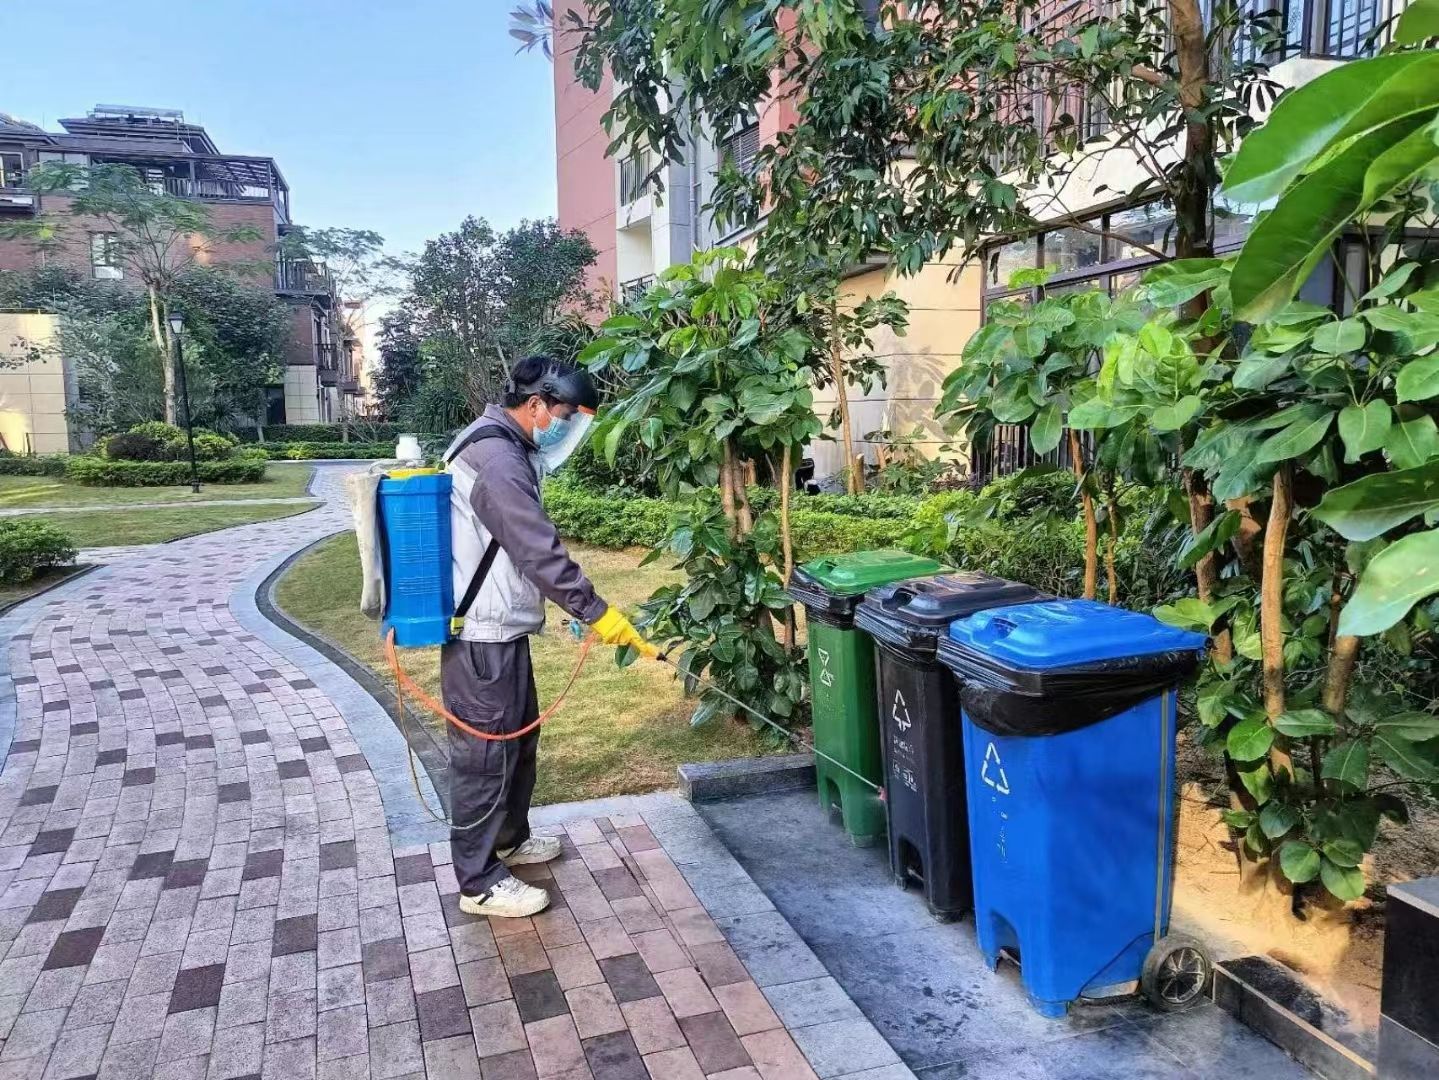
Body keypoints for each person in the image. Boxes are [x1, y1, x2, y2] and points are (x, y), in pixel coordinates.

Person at [440, 355, 656, 918]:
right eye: (565, 415)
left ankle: (509, 840)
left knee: (517, 741)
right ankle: (479, 881)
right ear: (535, 405)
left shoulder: (506, 447)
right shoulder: (495, 458)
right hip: (480, 635)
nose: (566, 428)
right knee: (484, 756)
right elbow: (537, 549)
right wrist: (596, 611)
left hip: (501, 627)